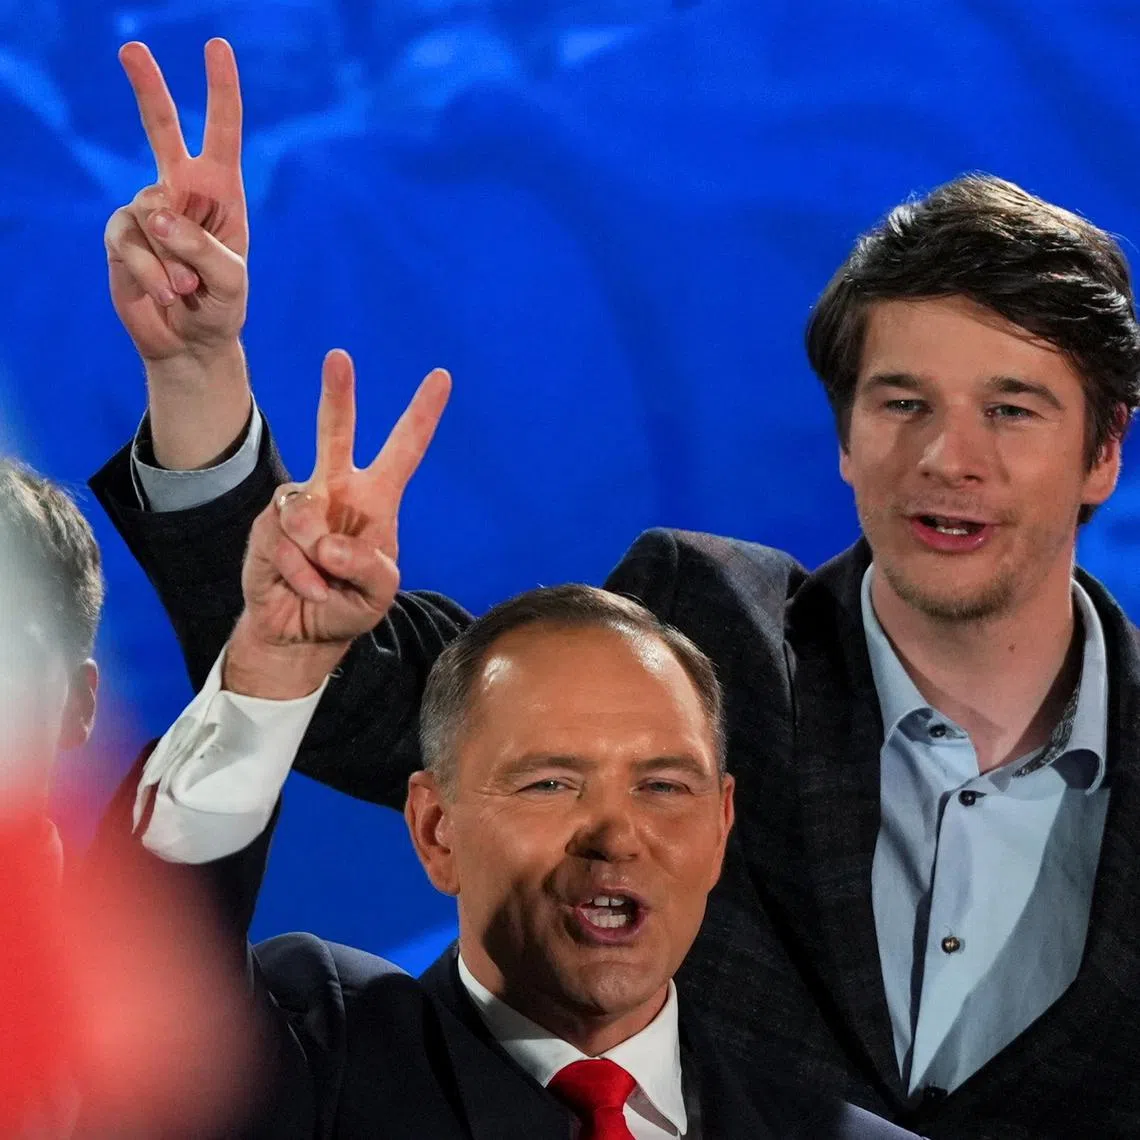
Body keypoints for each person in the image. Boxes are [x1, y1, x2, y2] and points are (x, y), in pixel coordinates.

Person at [92, 38, 1140, 1140]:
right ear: (842, 435)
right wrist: (197, 369)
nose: (946, 459)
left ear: (1105, 452)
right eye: (901, 404)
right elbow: (332, 668)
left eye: (1011, 411)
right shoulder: (706, 634)